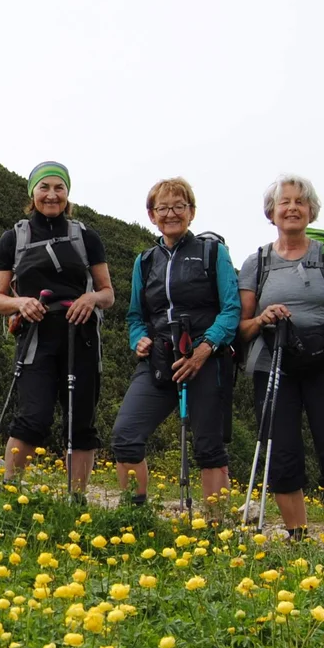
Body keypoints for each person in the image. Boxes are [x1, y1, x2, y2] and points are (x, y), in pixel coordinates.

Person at [237, 175, 324, 545]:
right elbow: (242, 328)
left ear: (311, 211)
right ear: (271, 212)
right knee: (282, 451)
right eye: (284, 202)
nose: (292, 207)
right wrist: (262, 319)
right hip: (273, 366)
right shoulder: (256, 263)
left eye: (299, 202)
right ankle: (297, 537)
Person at [109, 178, 239, 510]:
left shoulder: (213, 252)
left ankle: (215, 529)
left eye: (179, 206)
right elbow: (135, 315)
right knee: (125, 437)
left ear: (191, 212)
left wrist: (204, 348)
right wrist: (138, 340)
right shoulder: (145, 261)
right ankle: (134, 515)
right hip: (158, 360)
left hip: (205, 359)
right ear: (151, 215)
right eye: (163, 207)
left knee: (209, 449)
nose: (171, 214)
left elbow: (231, 309)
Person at [0, 161, 114, 494]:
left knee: (80, 422)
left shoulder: (86, 235)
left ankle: (77, 499)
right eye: (44, 187)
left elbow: (108, 293)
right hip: (36, 338)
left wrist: (90, 299)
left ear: (67, 193)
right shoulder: (12, 238)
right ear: (33, 193)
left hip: (82, 336)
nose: (51, 195)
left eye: (59, 187)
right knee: (33, 417)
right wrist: (21, 303)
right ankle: (10, 492)